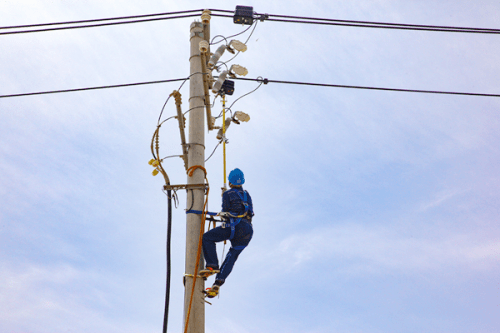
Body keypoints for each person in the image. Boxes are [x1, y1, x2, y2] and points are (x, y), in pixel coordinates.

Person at [199, 168, 254, 298]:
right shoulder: (247, 195)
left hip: (234, 226)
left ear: (230, 182)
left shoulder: (228, 194)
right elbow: (250, 212)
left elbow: (225, 212)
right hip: (247, 231)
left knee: (207, 238)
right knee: (232, 256)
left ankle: (212, 265)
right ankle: (218, 282)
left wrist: (225, 195)